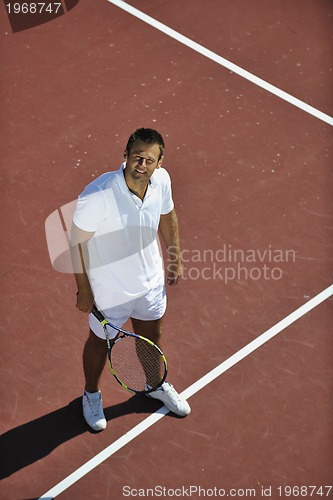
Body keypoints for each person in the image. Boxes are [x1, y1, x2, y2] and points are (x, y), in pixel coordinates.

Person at [70, 128, 191, 431]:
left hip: (149, 286)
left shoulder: (162, 182)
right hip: (109, 293)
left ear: (159, 163)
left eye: (149, 160)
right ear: (125, 155)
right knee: (99, 345)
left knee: (152, 339)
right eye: (137, 156)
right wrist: (84, 290)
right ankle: (91, 394)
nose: (142, 164)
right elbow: (76, 244)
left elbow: (167, 216)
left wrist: (174, 258)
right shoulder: (98, 195)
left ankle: (155, 384)